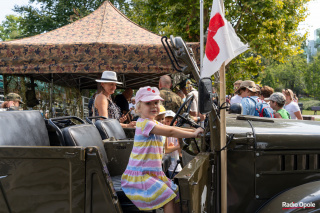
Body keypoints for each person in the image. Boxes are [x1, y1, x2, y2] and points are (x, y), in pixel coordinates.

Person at [121, 86, 203, 212]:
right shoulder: (145, 123)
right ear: (138, 107)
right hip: (141, 175)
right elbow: (170, 131)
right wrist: (193, 134)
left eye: (156, 102)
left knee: (175, 193)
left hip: (152, 173)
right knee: (168, 196)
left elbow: (175, 129)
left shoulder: (154, 123)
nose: (154, 106)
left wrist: (194, 130)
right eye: (148, 103)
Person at [164, 110, 182, 178]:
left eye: (171, 121)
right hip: (168, 166)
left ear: (175, 122)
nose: (169, 123)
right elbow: (166, 150)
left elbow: (180, 151)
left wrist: (176, 147)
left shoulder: (177, 133)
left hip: (176, 165)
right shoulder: (164, 134)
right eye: (167, 121)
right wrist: (176, 147)